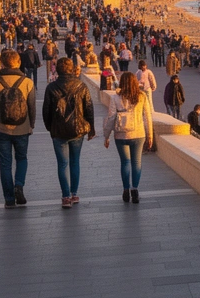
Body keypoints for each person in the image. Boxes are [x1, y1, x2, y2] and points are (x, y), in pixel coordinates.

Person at [0, 50, 36, 208]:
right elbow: (31, 107)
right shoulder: (27, 82)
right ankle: (19, 184)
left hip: (1, 129)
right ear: (18, 63)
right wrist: (30, 124)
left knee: (5, 164)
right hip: (22, 128)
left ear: (2, 64)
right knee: (22, 158)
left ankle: (9, 199)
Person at [43, 57, 95, 208]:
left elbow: (46, 111)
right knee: (75, 161)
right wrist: (91, 128)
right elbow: (89, 108)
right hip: (77, 131)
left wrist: (50, 127)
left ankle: (65, 196)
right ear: (72, 69)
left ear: (57, 70)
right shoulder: (81, 86)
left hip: (58, 132)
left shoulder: (51, 88)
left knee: (62, 164)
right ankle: (74, 193)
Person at [104, 71, 154, 204]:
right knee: (136, 162)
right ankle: (135, 190)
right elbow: (148, 117)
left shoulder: (116, 98)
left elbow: (111, 118)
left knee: (125, 162)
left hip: (121, 135)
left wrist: (106, 136)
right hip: (138, 134)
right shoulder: (142, 96)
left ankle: (125, 190)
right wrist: (150, 136)